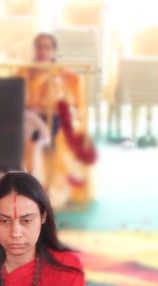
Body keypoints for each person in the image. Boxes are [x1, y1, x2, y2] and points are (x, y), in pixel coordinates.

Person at [24, 33, 97, 207]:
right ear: (34, 50)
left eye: (47, 47)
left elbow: (70, 104)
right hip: (27, 119)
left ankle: (49, 191)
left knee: (58, 138)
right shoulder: (24, 72)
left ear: (54, 51)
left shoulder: (65, 76)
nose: (42, 51)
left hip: (55, 121)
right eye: (39, 47)